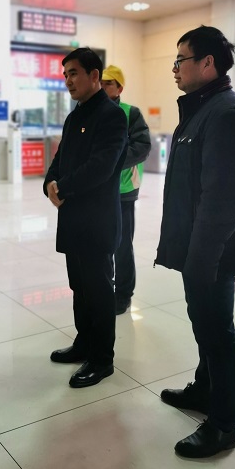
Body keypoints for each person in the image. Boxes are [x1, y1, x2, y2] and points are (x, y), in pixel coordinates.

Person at [155, 25, 235, 459]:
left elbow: (222, 198)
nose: (175, 68)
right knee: (204, 324)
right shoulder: (202, 110)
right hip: (197, 248)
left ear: (207, 63)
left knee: (218, 332)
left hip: (213, 252)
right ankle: (204, 389)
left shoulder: (227, 114)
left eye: (180, 60)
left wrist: (202, 260)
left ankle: (224, 425)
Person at [44, 47, 127, 388]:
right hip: (73, 218)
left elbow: (101, 167)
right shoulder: (74, 116)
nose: (68, 80)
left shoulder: (111, 116)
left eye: (74, 73)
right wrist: (50, 182)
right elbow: (60, 158)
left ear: (94, 76)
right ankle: (84, 342)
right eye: (65, 75)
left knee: (99, 289)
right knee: (79, 285)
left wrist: (62, 187)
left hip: (96, 221)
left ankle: (102, 358)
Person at [100, 65, 151, 314]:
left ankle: (123, 295)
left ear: (119, 88)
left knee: (122, 246)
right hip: (98, 192)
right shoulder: (91, 112)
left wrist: (111, 161)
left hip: (123, 191)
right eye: (101, 83)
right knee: (101, 244)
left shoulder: (131, 113)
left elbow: (142, 147)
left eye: (108, 83)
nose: (102, 87)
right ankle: (104, 289)